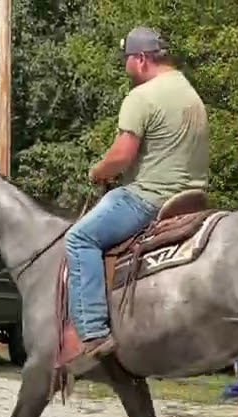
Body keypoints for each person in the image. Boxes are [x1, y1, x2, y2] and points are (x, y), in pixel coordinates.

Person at [63, 26, 210, 368]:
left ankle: (93, 333)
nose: (125, 66)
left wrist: (97, 172)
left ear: (141, 59)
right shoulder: (190, 93)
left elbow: (121, 156)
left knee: (79, 238)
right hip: (191, 198)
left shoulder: (141, 97)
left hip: (148, 198)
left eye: (126, 59)